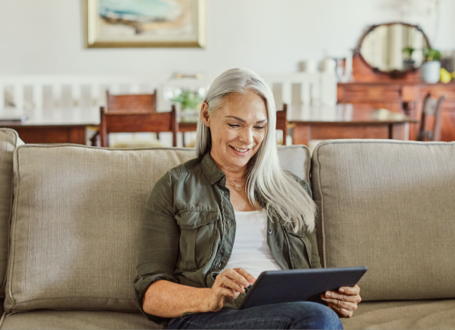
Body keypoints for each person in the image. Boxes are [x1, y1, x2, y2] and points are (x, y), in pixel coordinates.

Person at [134, 68, 361, 329]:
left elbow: (313, 277)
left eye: (259, 127)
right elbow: (149, 294)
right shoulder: (175, 187)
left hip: (291, 315)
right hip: (207, 319)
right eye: (234, 124)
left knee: (319, 316)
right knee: (317, 319)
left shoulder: (293, 190)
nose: (247, 139)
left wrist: (333, 297)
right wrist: (210, 296)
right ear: (206, 114)